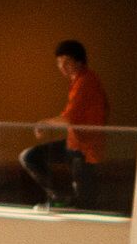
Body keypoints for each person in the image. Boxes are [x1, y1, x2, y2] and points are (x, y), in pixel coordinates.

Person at [19, 39, 112, 208]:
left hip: (85, 148)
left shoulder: (86, 82)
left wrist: (45, 124)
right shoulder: (79, 82)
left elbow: (69, 118)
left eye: (66, 62)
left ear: (79, 62)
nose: (62, 67)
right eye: (59, 63)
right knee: (30, 156)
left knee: (84, 202)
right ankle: (59, 196)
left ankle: (62, 198)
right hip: (76, 144)